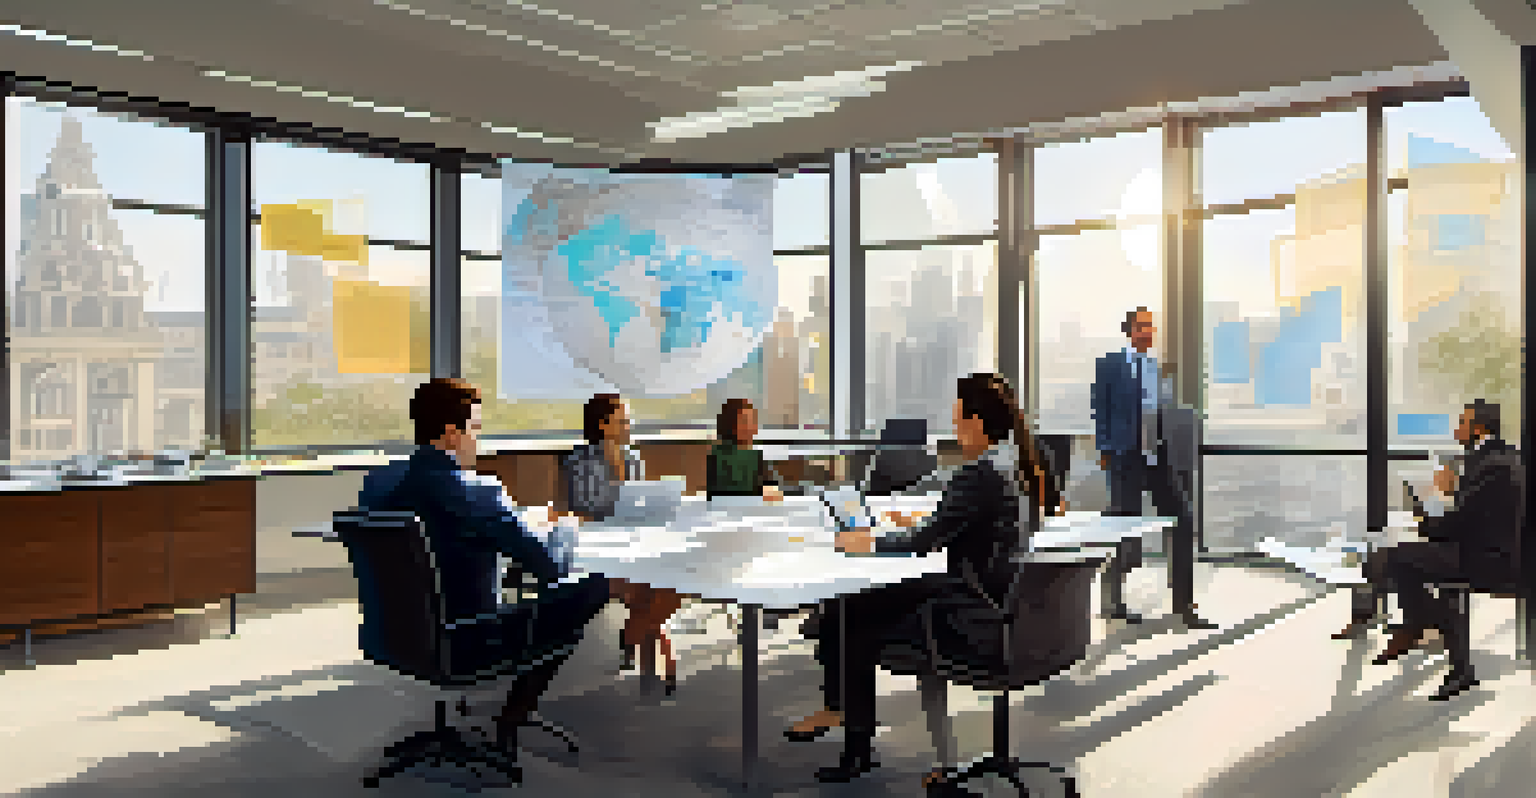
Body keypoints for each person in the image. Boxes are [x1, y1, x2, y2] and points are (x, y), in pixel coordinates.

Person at [784, 373, 1060, 785]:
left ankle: (857, 747)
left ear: (977, 422)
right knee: (853, 602)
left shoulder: (980, 474)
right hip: (1005, 603)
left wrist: (870, 542)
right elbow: (959, 528)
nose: (953, 428)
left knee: (855, 617)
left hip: (973, 612)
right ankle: (841, 697)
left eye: (957, 419)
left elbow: (924, 541)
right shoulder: (1014, 466)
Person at [356, 378, 612, 755]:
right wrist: (564, 527)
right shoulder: (477, 490)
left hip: (397, 638)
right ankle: (512, 719)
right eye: (475, 429)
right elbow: (550, 565)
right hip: (469, 639)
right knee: (593, 586)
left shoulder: (381, 485)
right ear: (450, 434)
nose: (479, 440)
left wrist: (512, 524)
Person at [1336, 400, 1523, 700]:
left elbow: (1463, 521)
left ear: (1478, 428)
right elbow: (1475, 516)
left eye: (1462, 423)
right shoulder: (1502, 458)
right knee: (1393, 557)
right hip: (1489, 552)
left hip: (1490, 562)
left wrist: (1437, 508)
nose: (1456, 429)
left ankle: (1420, 623)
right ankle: (1415, 622)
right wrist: (1440, 510)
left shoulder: (1493, 466)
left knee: (1394, 557)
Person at [1091, 307, 1213, 629]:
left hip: (1158, 457)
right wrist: (1105, 450)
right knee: (1123, 532)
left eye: (1151, 327)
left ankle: (1184, 605)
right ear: (1129, 329)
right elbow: (1099, 408)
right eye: (1142, 326)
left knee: (1183, 519)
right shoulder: (1110, 364)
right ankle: (1113, 602)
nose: (1147, 332)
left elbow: (1162, 409)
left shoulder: (1156, 368)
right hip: (1125, 457)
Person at [562, 394, 683, 695]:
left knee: (672, 583)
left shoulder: (633, 458)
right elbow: (584, 508)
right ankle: (647, 639)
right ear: (603, 425)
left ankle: (634, 632)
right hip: (598, 544)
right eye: (623, 421)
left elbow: (638, 505)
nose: (629, 427)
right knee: (646, 589)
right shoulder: (578, 460)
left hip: (636, 540)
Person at [706, 398, 784, 500]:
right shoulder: (753, 460)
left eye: (753, 421)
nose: (753, 429)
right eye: (745, 421)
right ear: (731, 424)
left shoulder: (712, 455)